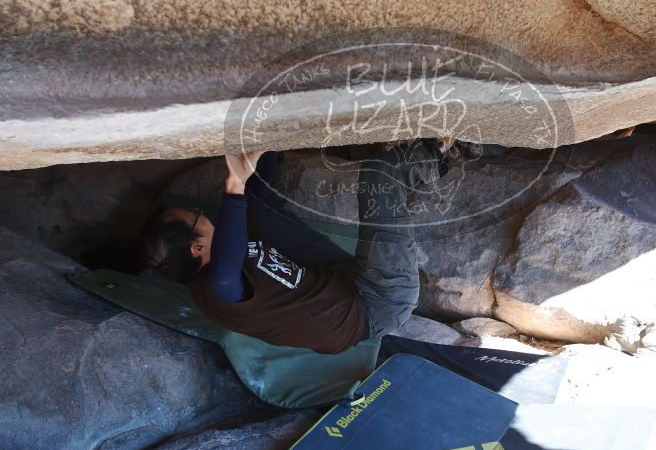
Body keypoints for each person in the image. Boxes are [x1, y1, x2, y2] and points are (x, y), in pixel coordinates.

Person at [142, 139, 448, 354]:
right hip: (380, 303)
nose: (204, 214)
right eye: (196, 216)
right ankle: (445, 148)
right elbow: (224, 273)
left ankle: (273, 138)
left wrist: (271, 137)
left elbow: (258, 206)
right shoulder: (216, 291)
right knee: (381, 174)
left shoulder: (231, 257)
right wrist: (233, 184)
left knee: (259, 214)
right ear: (196, 249)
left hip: (343, 281)